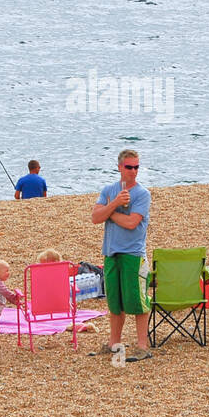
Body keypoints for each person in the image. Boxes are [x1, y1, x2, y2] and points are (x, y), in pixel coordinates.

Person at [89, 148, 152, 361]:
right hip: (111, 253)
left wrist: (109, 211)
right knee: (114, 302)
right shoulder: (109, 190)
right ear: (120, 167)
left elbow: (131, 223)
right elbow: (95, 217)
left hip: (133, 255)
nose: (133, 171)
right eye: (129, 167)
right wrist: (115, 203)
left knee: (137, 301)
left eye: (136, 167)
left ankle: (142, 346)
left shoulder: (142, 194)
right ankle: (114, 342)